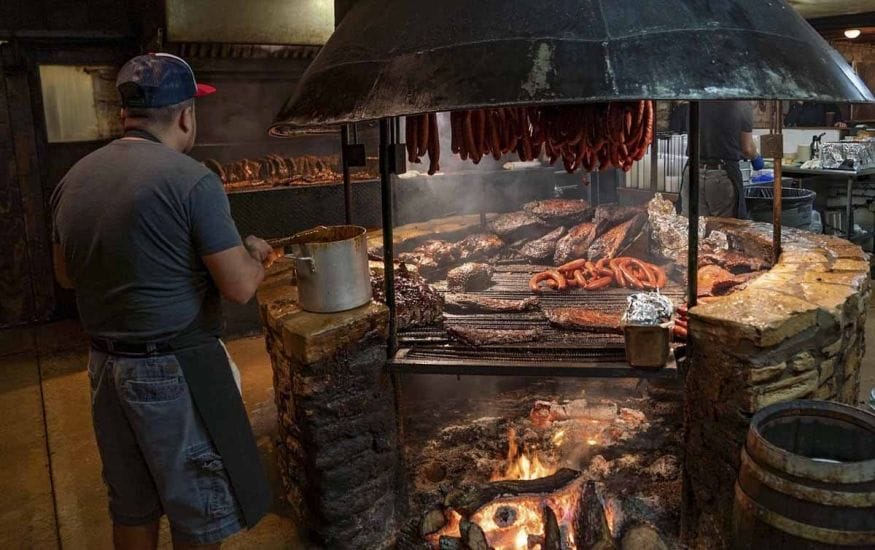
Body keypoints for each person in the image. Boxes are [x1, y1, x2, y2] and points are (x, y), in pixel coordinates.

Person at [51, 53, 274, 549]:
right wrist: (255, 255)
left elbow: (67, 276)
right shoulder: (191, 180)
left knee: (132, 505)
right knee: (199, 515)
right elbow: (238, 286)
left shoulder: (74, 179)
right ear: (185, 115)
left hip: (106, 368)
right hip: (172, 372)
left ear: (124, 114)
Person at [677, 101, 761, 219]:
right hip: (720, 176)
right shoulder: (741, 105)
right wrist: (756, 157)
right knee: (723, 230)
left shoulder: (695, 102)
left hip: (692, 173)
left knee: (693, 228)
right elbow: (747, 149)